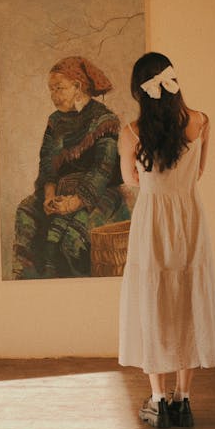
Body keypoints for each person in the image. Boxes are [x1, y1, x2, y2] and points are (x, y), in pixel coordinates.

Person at [118, 52, 215, 428]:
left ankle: (158, 401)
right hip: (189, 218)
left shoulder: (131, 132)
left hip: (152, 222)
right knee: (187, 299)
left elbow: (130, 180)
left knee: (153, 300)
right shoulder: (201, 121)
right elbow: (199, 173)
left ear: (140, 90)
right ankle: (184, 400)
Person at [13, 56, 130, 279]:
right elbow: (46, 161)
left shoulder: (104, 119)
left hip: (98, 192)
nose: (53, 96)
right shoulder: (55, 121)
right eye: (51, 89)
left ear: (77, 86)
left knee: (71, 237)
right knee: (25, 212)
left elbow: (102, 170)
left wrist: (75, 202)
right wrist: (49, 195)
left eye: (59, 88)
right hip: (60, 190)